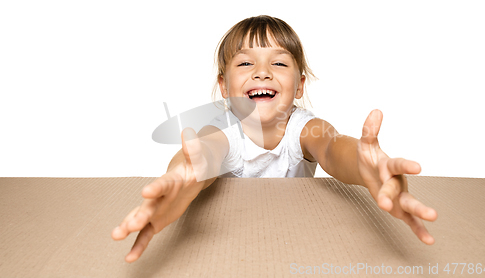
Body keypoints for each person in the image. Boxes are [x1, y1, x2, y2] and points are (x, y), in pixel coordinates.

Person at [111, 15, 438, 263]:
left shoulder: (305, 127)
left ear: (299, 86)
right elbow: (203, 152)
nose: (262, 71)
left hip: (298, 244)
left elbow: (332, 147)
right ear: (224, 87)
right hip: (230, 248)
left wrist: (363, 166)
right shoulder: (223, 129)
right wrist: (183, 174)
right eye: (245, 63)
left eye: (279, 62)